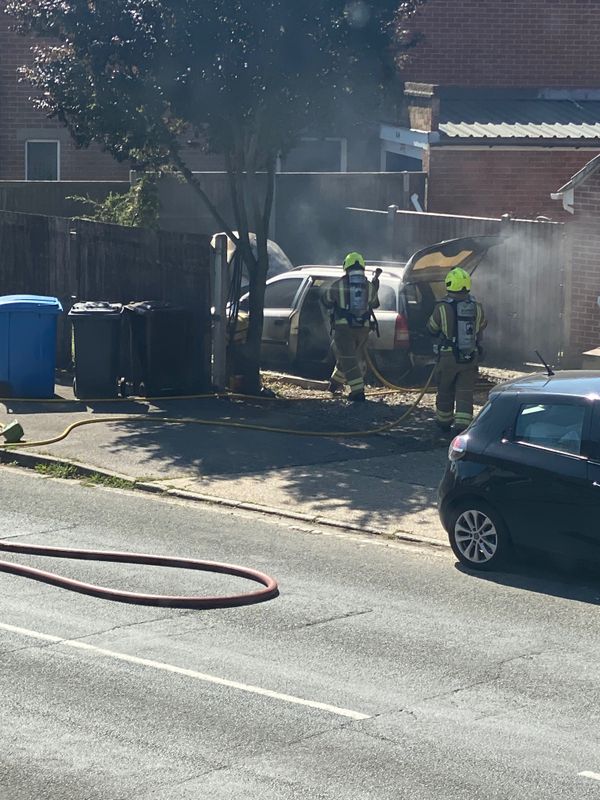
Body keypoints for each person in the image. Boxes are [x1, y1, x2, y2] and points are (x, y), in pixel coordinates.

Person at [427, 267, 486, 431]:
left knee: (445, 389)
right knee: (465, 391)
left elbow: (431, 327)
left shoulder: (442, 307)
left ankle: (443, 422)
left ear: (449, 284)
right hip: (470, 356)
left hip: (448, 357)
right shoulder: (477, 307)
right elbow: (481, 327)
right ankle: (462, 425)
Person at [322, 252, 380, 402]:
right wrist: (374, 287)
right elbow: (375, 303)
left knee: (349, 358)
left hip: (343, 328)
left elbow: (326, 300)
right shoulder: (368, 285)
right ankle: (335, 384)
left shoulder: (338, 285)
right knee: (348, 356)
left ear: (346, 267)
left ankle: (358, 391)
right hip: (364, 329)